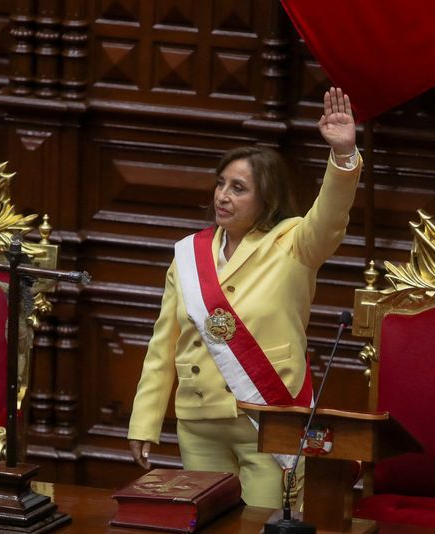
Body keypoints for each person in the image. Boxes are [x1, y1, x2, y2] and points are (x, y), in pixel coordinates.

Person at [127, 88, 361, 507]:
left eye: (238, 188)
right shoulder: (189, 254)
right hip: (199, 422)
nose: (222, 196)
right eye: (220, 184)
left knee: (265, 525)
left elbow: (330, 216)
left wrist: (343, 157)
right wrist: (144, 421)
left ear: (266, 198)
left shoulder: (294, 243)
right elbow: (162, 344)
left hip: (268, 419)